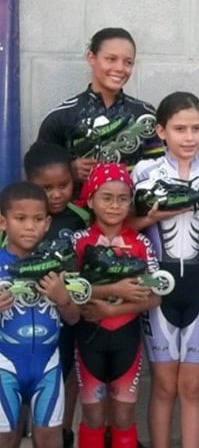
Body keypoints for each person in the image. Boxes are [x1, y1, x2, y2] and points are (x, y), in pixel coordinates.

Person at [130, 92, 199, 448]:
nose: (189, 137)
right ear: (161, 131)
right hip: (158, 288)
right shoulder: (143, 173)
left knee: (192, 387)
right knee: (163, 386)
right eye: (179, 129)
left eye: (196, 128)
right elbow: (128, 227)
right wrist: (151, 217)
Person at [71, 162, 161, 447]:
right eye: (106, 198)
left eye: (123, 199)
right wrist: (114, 289)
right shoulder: (78, 242)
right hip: (88, 341)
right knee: (94, 416)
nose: (114, 205)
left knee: (123, 416)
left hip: (126, 338)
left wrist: (111, 308)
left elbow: (156, 296)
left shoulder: (141, 244)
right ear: (91, 199)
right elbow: (69, 291)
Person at [0, 181, 80, 448]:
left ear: (47, 223)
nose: (29, 226)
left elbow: (74, 318)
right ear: (3, 222)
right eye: (20, 219)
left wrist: (63, 298)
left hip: (47, 366)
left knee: (48, 439)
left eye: (37, 219)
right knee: (5, 438)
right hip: (4, 366)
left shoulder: (59, 264)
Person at [23, 142, 91, 448]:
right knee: (22, 386)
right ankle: (23, 431)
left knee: (65, 379)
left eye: (63, 185)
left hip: (67, 316)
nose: (56, 194)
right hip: (21, 321)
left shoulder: (81, 217)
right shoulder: (18, 217)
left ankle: (64, 435)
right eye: (46, 187)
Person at [37, 27, 163, 182]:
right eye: (111, 59)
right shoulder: (61, 117)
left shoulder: (145, 115)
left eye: (128, 62)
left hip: (133, 206)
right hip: (76, 206)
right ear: (91, 58)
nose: (119, 68)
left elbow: (162, 171)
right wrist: (67, 170)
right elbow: (37, 174)